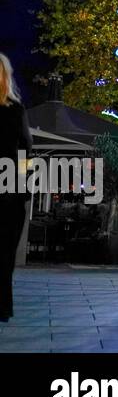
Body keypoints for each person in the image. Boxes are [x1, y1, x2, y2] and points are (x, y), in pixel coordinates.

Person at [0, 54, 32, 322]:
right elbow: (26, 150)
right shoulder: (15, 111)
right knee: (4, 253)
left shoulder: (15, 110)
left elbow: (25, 150)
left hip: (9, 192)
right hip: (9, 191)